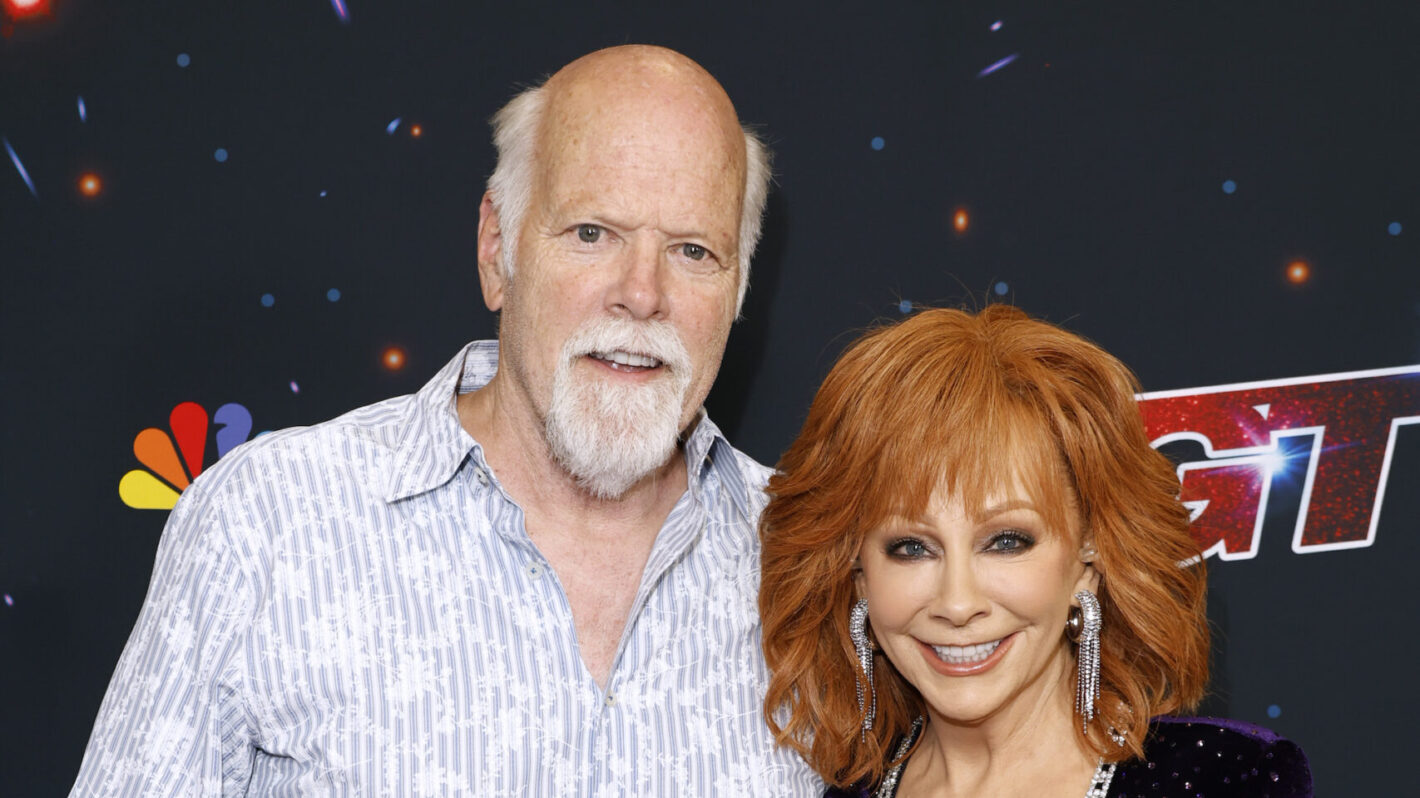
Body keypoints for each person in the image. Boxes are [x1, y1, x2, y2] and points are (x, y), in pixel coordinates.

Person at [71, 46, 821, 795]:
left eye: (693, 251)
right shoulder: (268, 526)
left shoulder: (815, 566)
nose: (641, 293)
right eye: (592, 233)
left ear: (738, 288)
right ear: (497, 248)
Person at [759, 305, 1312, 797]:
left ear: (1089, 558)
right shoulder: (840, 792)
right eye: (911, 548)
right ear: (858, 575)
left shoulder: (1224, 781)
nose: (957, 603)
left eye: (1006, 542)